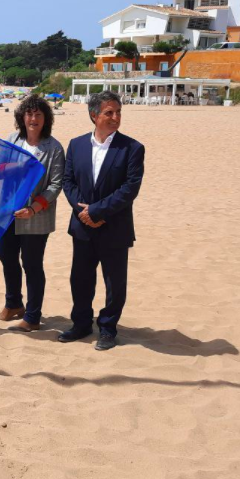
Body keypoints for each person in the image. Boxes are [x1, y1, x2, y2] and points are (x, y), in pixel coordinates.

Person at [60, 90, 144, 350]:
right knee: (80, 279)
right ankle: (81, 324)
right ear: (93, 115)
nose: (115, 117)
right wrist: (83, 213)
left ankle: (107, 329)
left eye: (118, 112)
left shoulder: (132, 148)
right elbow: (68, 182)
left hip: (114, 226)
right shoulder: (76, 145)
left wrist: (97, 212)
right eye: (109, 112)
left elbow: (130, 189)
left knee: (114, 283)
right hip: (82, 226)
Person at [0, 94, 66, 332]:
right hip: (8, 212)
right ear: (22, 117)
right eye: (29, 114)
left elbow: (56, 185)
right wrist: (18, 165)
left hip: (36, 216)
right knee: (6, 257)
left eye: (38, 115)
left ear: (46, 119)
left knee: (32, 264)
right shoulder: (12, 140)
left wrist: (34, 208)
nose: (33, 119)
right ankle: (13, 303)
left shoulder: (54, 148)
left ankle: (33, 316)